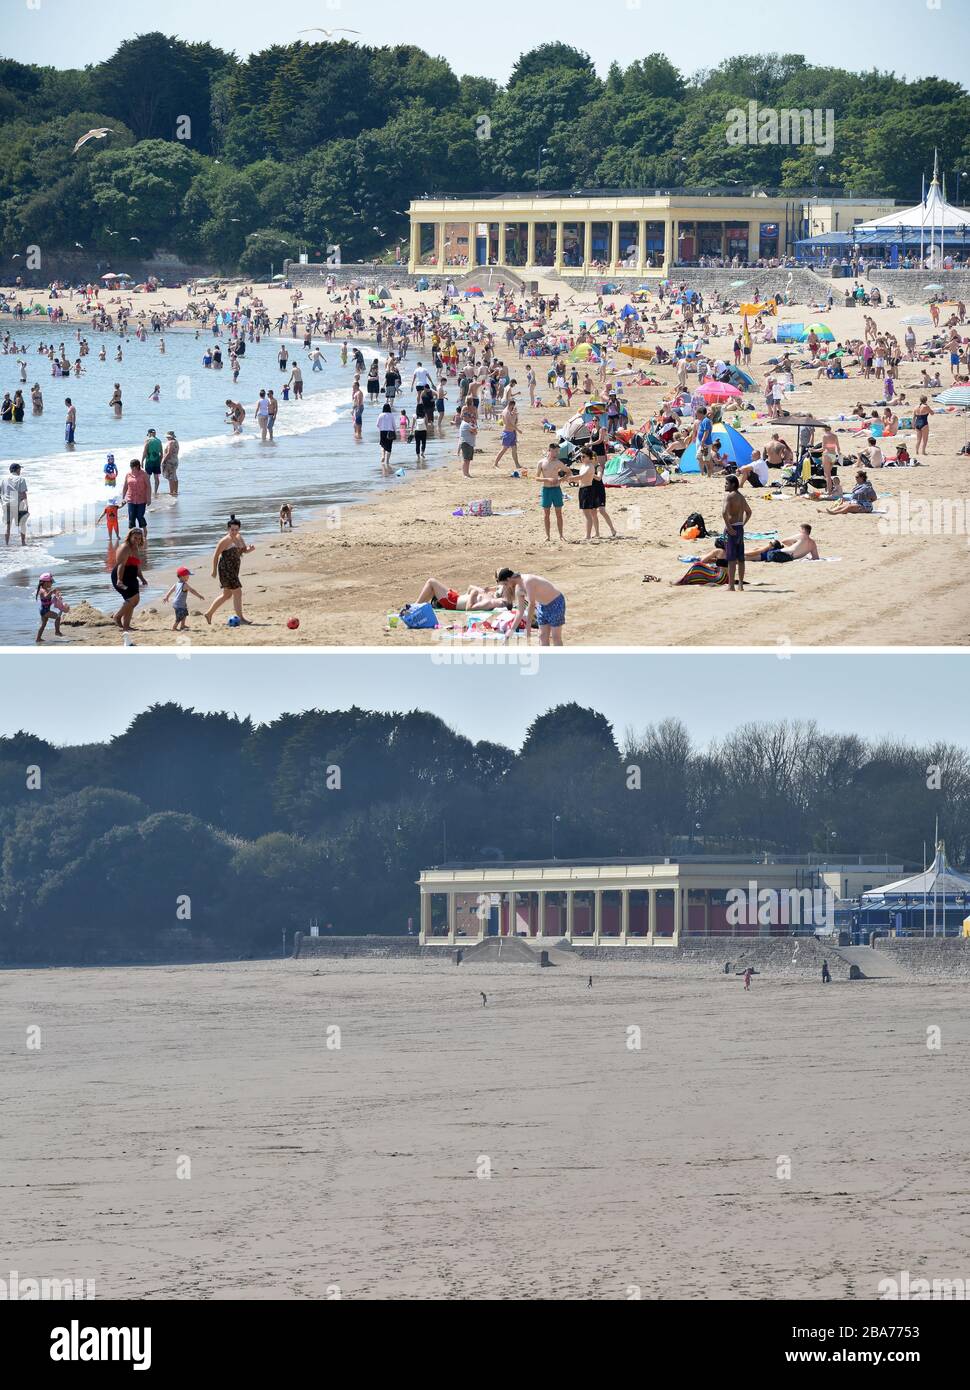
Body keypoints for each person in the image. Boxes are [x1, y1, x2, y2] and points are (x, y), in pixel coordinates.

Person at [204, 516, 255, 626]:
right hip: (226, 569)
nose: (234, 531)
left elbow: (243, 550)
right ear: (228, 529)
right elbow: (216, 555)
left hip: (234, 569)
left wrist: (250, 549)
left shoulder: (239, 538)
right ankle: (241, 618)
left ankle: (209, 613)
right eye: (232, 529)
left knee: (226, 595)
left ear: (239, 529)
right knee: (238, 592)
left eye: (236, 529)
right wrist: (214, 571)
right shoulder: (225, 540)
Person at [496, 568, 566, 646]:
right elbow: (520, 611)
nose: (507, 586)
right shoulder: (518, 588)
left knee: (556, 637)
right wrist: (511, 630)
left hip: (555, 603)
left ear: (509, 579)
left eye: (505, 584)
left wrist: (528, 626)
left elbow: (532, 604)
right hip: (542, 606)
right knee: (542, 636)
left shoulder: (527, 581)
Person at [109, 528, 148, 631]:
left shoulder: (135, 548)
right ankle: (117, 617)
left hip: (132, 577)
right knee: (132, 599)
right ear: (130, 536)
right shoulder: (125, 548)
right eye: (135, 538)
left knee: (134, 601)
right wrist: (120, 580)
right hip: (122, 576)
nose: (137, 540)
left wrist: (142, 578)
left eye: (139, 539)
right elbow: (121, 565)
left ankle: (126, 626)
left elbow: (137, 566)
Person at [722, 475, 751, 592]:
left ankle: (731, 586)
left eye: (726, 483)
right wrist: (742, 524)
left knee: (731, 559)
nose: (724, 485)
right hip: (739, 528)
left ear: (733, 484)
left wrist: (728, 527)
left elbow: (724, 513)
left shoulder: (729, 496)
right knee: (741, 558)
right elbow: (749, 512)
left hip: (732, 528)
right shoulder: (741, 497)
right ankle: (741, 585)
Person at [536, 441, 569, 541]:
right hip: (546, 489)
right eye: (555, 451)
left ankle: (561, 535)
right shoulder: (541, 462)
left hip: (556, 489)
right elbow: (536, 478)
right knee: (546, 514)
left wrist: (561, 479)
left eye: (557, 451)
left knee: (559, 513)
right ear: (549, 451)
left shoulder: (558, 462)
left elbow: (569, 472)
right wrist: (547, 479)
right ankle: (548, 536)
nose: (556, 454)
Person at [415, 579, 503, 611]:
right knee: (432, 587)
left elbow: (469, 608)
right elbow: (470, 587)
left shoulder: (489, 601)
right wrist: (487, 589)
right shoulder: (486, 594)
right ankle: (416, 607)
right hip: (455, 598)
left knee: (431, 582)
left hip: (453, 602)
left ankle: (414, 607)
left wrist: (474, 593)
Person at [164, 566, 204, 632]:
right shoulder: (184, 585)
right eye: (187, 576)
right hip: (179, 604)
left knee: (185, 614)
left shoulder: (176, 583)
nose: (188, 577)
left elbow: (171, 590)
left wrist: (167, 597)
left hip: (179, 603)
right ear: (182, 576)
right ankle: (174, 627)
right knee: (179, 617)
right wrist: (199, 596)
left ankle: (182, 625)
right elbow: (192, 590)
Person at [35, 572, 67, 643]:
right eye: (51, 582)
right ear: (45, 582)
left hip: (43, 610)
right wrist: (52, 591)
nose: (52, 583)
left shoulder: (46, 589)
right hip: (45, 611)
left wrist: (57, 594)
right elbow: (46, 596)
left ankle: (38, 638)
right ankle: (57, 632)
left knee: (43, 625)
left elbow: (52, 595)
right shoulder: (42, 590)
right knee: (58, 617)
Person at [122, 459, 151, 533]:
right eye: (131, 467)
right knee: (131, 517)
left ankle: (144, 533)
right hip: (131, 499)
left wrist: (149, 498)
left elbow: (148, 486)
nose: (131, 468)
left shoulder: (144, 474)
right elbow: (125, 486)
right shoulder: (128, 475)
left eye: (132, 467)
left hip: (141, 500)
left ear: (137, 466)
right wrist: (123, 498)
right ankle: (131, 537)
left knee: (140, 516)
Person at [2, 463, 28, 547]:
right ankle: (23, 543)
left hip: (6, 503)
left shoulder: (4, 479)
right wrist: (26, 504)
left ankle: (6, 544)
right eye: (19, 469)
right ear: (16, 470)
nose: (20, 470)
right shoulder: (21, 479)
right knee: (22, 523)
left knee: (8, 525)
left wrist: (2, 502)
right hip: (17, 503)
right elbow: (23, 493)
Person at [494, 398, 520, 469]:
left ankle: (517, 464)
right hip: (507, 433)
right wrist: (517, 429)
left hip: (512, 432)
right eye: (513, 407)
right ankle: (495, 463)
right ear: (511, 405)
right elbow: (508, 424)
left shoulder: (509, 412)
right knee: (504, 449)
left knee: (514, 449)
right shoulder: (506, 412)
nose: (513, 408)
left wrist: (514, 415)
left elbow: (512, 421)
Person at [141, 428, 163, 496]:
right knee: (156, 478)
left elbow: (145, 452)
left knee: (147, 477)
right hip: (157, 461)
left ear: (150, 433)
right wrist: (160, 462)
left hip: (149, 461)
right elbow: (161, 454)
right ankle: (155, 492)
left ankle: (148, 492)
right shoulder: (159, 441)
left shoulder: (148, 440)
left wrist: (142, 461)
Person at [377, 400, 397, 476]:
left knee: (382, 444)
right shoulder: (391, 415)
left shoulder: (380, 415)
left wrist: (381, 428)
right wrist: (395, 431)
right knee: (389, 447)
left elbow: (377, 424)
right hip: (390, 432)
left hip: (382, 431)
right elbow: (394, 425)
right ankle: (387, 461)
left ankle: (382, 456)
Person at [161, 432, 180, 496]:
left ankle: (172, 492)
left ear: (169, 436)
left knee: (170, 477)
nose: (166, 438)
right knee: (174, 476)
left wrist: (163, 460)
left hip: (170, 461)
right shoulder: (176, 441)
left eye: (167, 437)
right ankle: (175, 491)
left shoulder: (170, 442)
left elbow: (169, 453)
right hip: (175, 460)